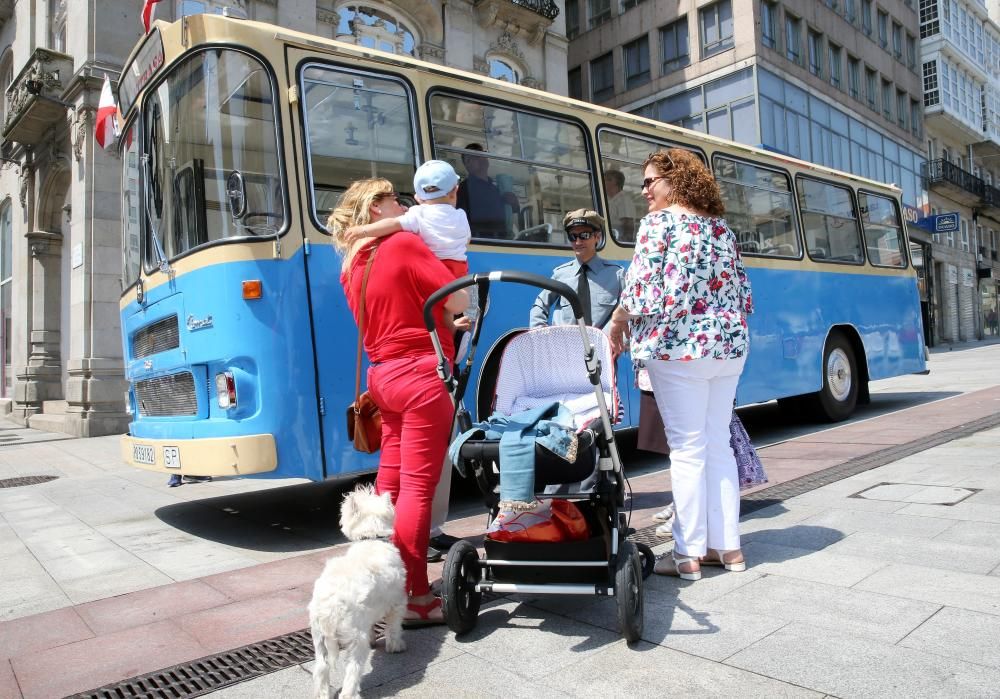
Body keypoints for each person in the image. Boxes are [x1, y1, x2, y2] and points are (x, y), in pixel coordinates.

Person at [608, 149, 754, 581]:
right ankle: (728, 548)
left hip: (679, 347)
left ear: (677, 181)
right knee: (717, 445)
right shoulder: (720, 227)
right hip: (728, 347)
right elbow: (742, 290)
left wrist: (617, 323)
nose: (645, 189)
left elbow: (641, 290)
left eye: (651, 180)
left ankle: (687, 553)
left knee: (688, 449)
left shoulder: (659, 223)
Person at [331, 178, 469, 626]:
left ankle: (378, 586)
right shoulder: (405, 244)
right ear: (374, 209)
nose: (403, 204)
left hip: (383, 379)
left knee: (387, 486)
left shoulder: (352, 264)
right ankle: (413, 595)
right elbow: (459, 297)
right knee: (416, 489)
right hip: (421, 376)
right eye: (393, 199)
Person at [529, 209, 624, 330]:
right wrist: (540, 333)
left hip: (602, 345)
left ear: (597, 237)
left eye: (584, 235)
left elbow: (629, 310)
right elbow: (540, 305)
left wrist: (614, 338)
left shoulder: (616, 275)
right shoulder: (561, 275)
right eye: (573, 236)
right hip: (566, 345)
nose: (578, 242)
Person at [457, 143, 519, 239]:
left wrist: (513, 201)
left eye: (483, 154)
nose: (481, 158)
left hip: (504, 242)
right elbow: (460, 221)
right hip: (480, 242)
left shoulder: (496, 189)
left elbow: (513, 212)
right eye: (475, 156)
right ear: (467, 164)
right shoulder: (463, 188)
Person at [604, 169, 638, 242]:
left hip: (617, 241)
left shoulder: (624, 200)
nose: (605, 182)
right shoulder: (606, 199)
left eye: (609, 179)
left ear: (617, 183)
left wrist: (624, 244)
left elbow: (628, 225)